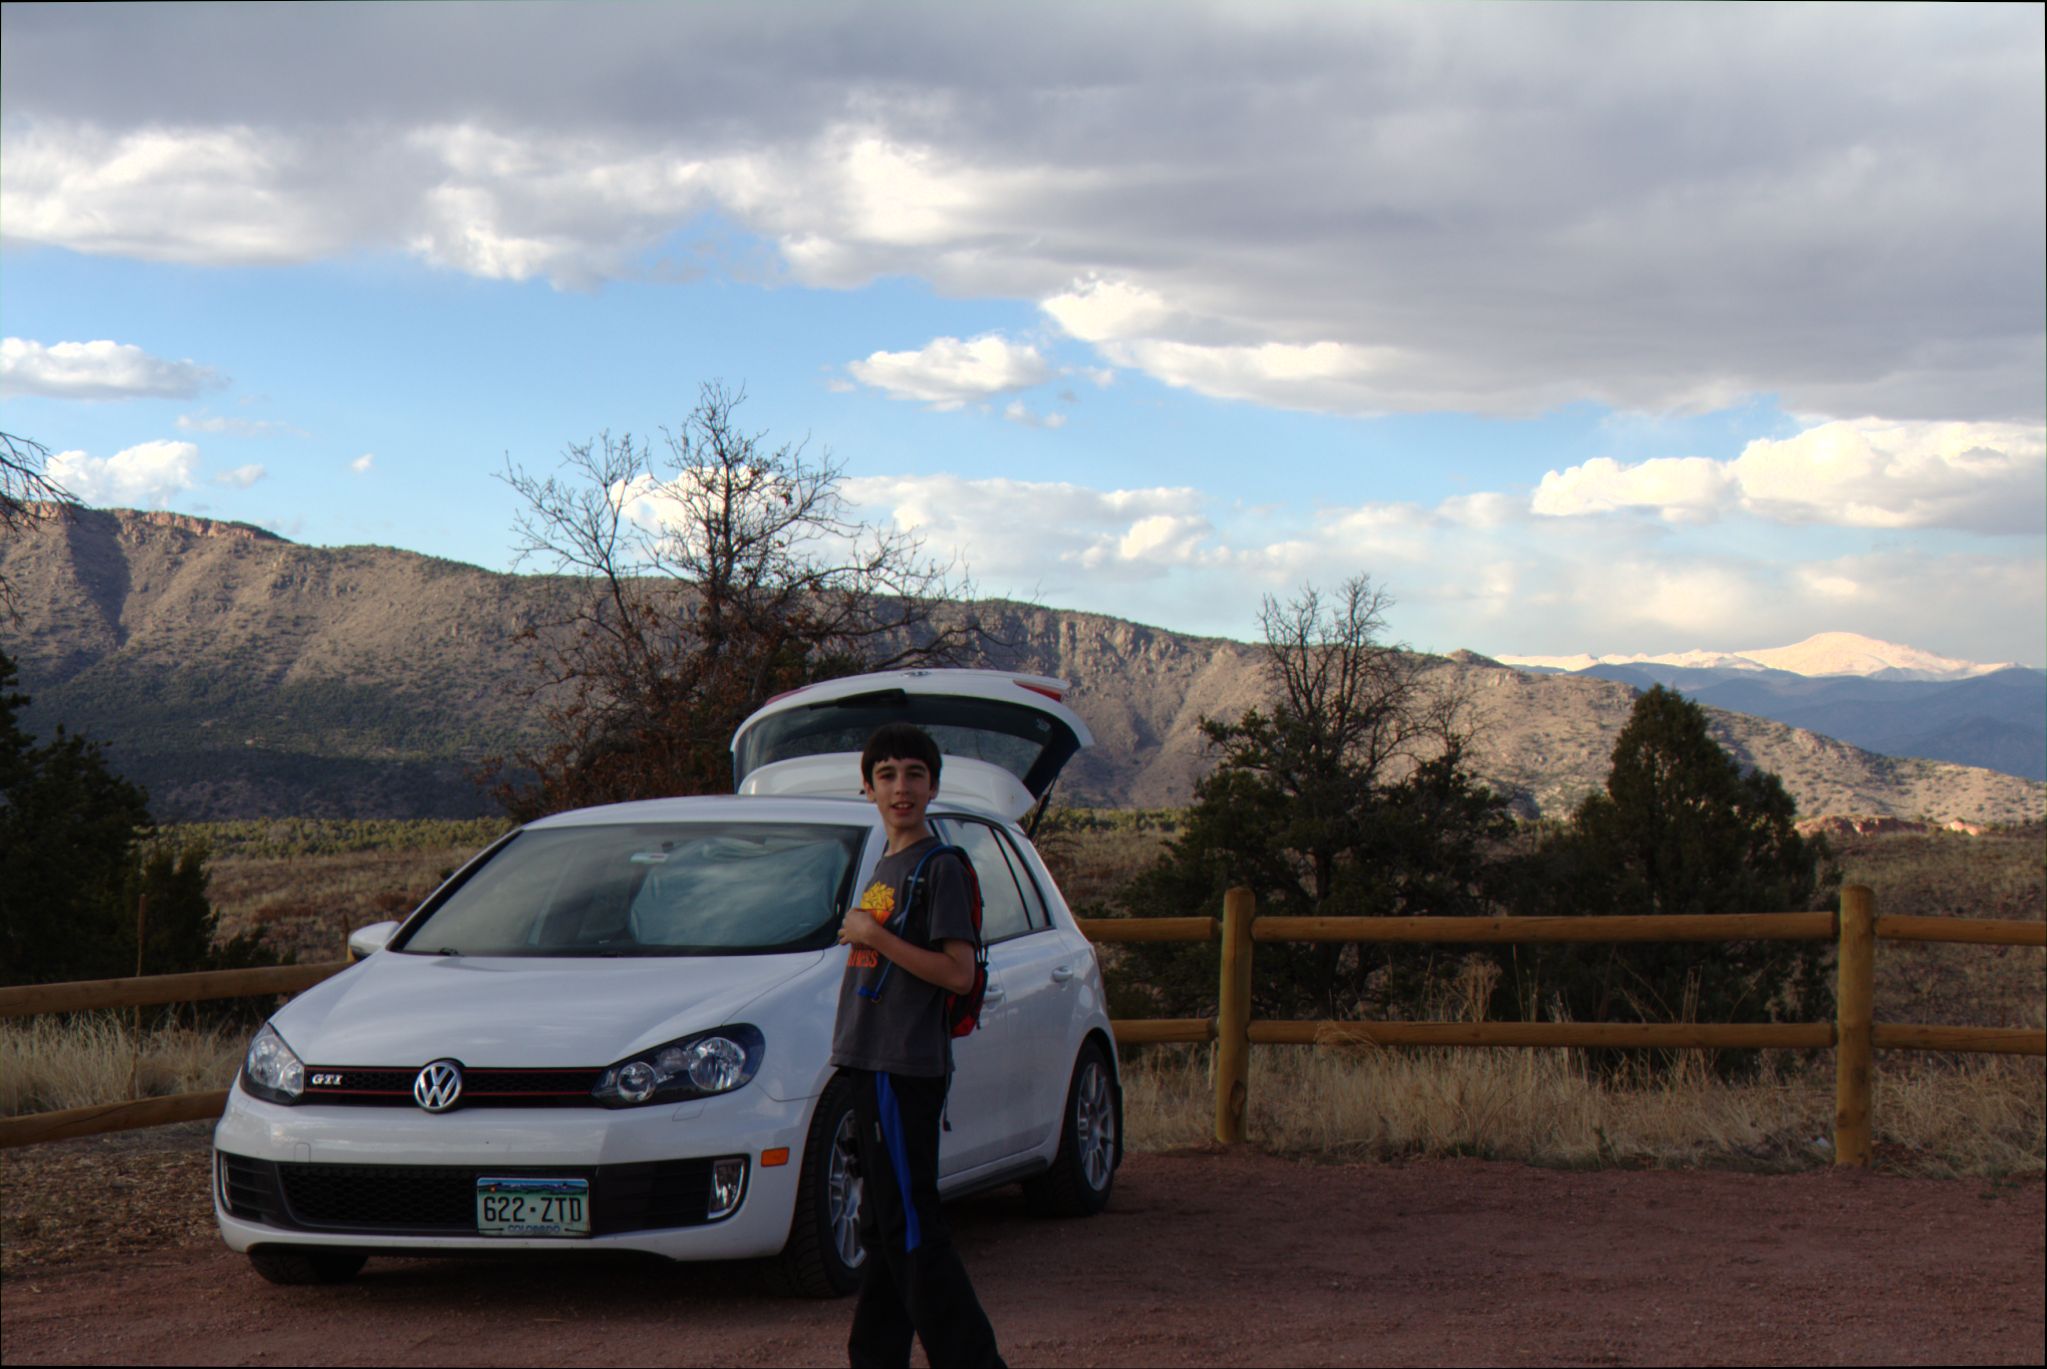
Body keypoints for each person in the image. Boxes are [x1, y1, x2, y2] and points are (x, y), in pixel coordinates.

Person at [831, 721, 1005, 1369]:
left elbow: (957, 971)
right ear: (868, 786)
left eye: (912, 774)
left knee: (912, 1228)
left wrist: (873, 937)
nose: (899, 787)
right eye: (886, 775)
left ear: (932, 784)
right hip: (866, 1063)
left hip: (901, 1067)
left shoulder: (940, 867)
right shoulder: (886, 862)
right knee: (883, 1228)